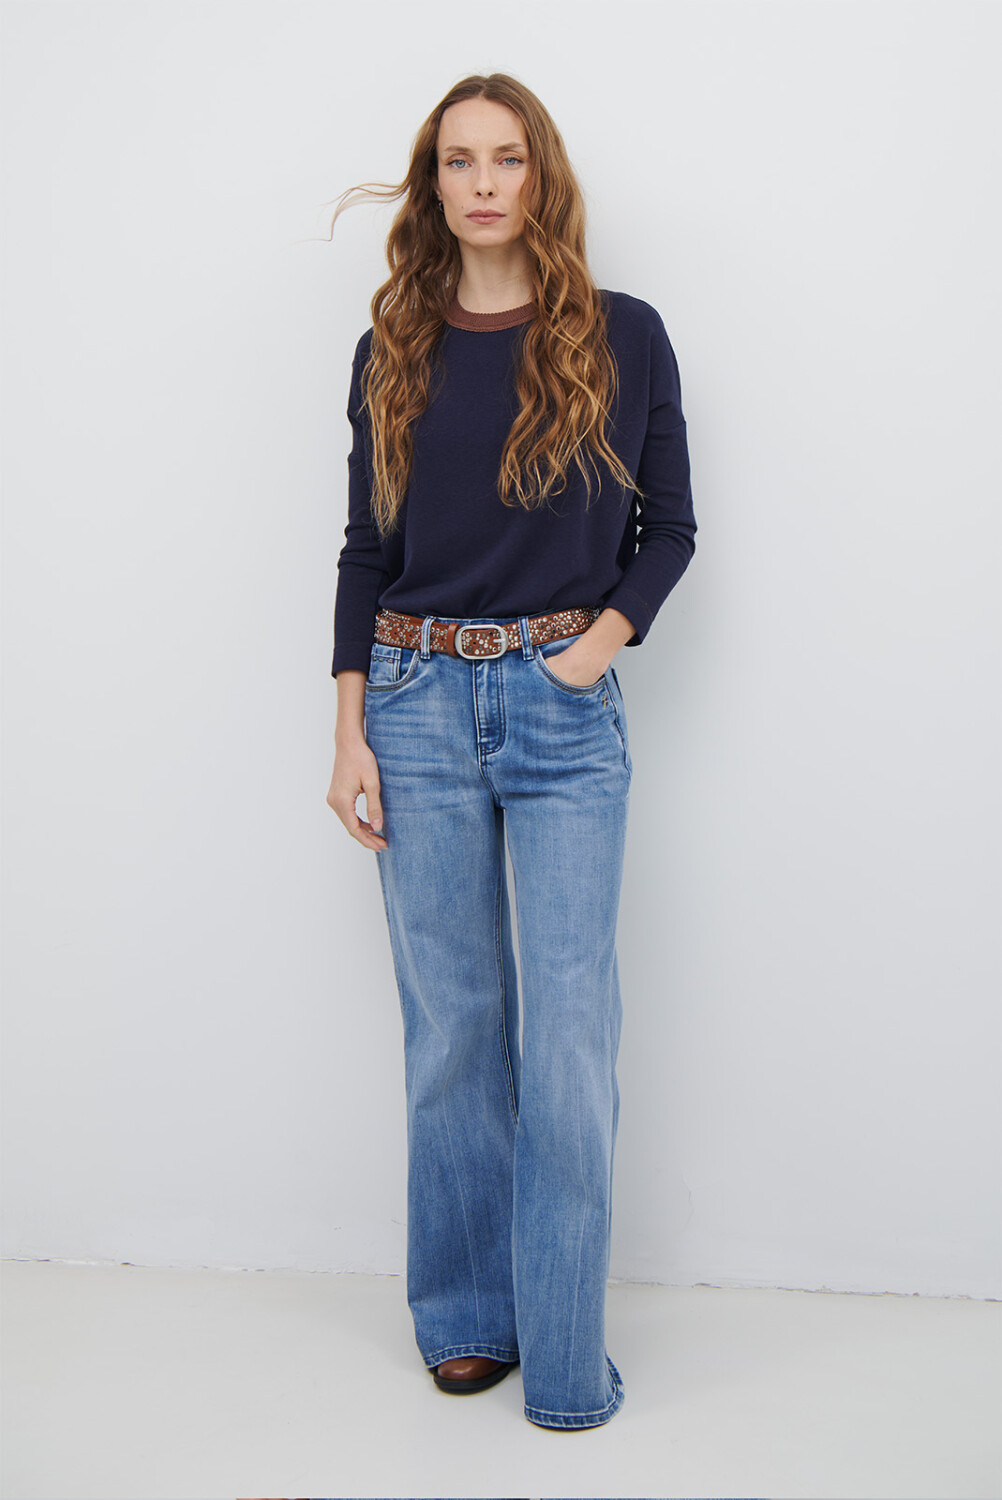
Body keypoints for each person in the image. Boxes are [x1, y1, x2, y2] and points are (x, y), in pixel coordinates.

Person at [325, 72, 696, 1431]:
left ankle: (564, 1348)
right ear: (432, 186)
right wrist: (350, 728)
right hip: (413, 701)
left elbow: (669, 530)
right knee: (453, 1029)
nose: (484, 183)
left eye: (508, 158)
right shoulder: (392, 346)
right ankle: (469, 1319)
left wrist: (591, 649)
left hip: (561, 710)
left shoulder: (623, 334)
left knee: (570, 1036)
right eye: (458, 161)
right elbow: (365, 548)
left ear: (543, 177)